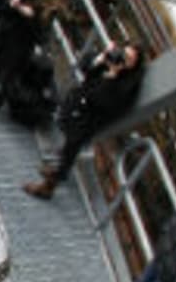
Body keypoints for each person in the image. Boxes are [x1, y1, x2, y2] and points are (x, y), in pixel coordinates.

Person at [23, 40, 146, 199]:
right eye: (124, 54)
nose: (123, 60)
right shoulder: (110, 60)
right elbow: (85, 68)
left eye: (129, 59)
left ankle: (49, 185)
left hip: (90, 118)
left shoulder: (128, 83)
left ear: (134, 65)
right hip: (77, 106)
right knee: (68, 143)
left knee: (71, 148)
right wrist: (101, 58)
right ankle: (57, 171)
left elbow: (105, 102)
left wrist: (112, 75)